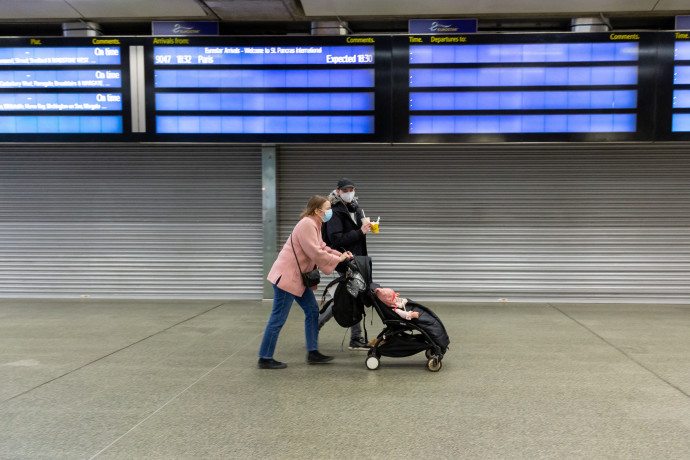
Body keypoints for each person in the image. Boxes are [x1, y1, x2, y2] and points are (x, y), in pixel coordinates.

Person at [258, 195, 354, 369]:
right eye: (327, 208)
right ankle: (264, 357)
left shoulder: (315, 224)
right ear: (317, 210)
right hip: (287, 277)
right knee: (278, 318)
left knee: (311, 311)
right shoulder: (307, 224)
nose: (330, 212)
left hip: (298, 278)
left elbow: (322, 247)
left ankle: (313, 352)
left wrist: (342, 254)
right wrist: (337, 260)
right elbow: (315, 252)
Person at [318, 177, 372, 350]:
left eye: (352, 189)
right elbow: (336, 238)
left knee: (353, 296)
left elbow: (356, 234)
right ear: (338, 191)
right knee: (346, 298)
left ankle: (355, 339)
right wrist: (359, 232)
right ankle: (316, 326)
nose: (349, 193)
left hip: (356, 260)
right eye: (346, 190)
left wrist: (363, 231)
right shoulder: (334, 211)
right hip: (344, 261)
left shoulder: (354, 208)